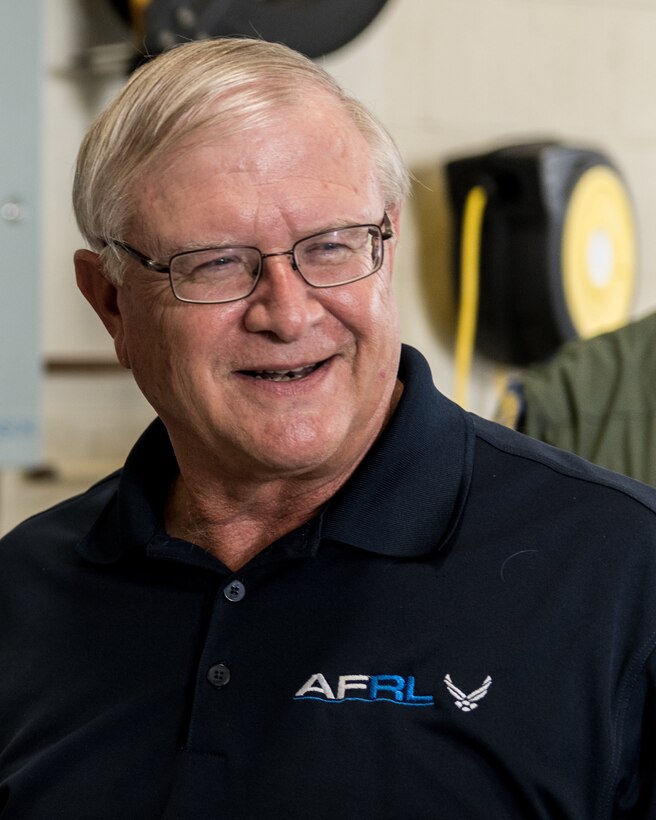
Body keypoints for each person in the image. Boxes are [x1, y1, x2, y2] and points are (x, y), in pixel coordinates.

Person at [1, 37, 655, 820]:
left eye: (332, 247)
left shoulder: (623, 577)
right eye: (215, 263)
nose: (289, 312)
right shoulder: (23, 591)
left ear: (386, 247)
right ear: (109, 300)